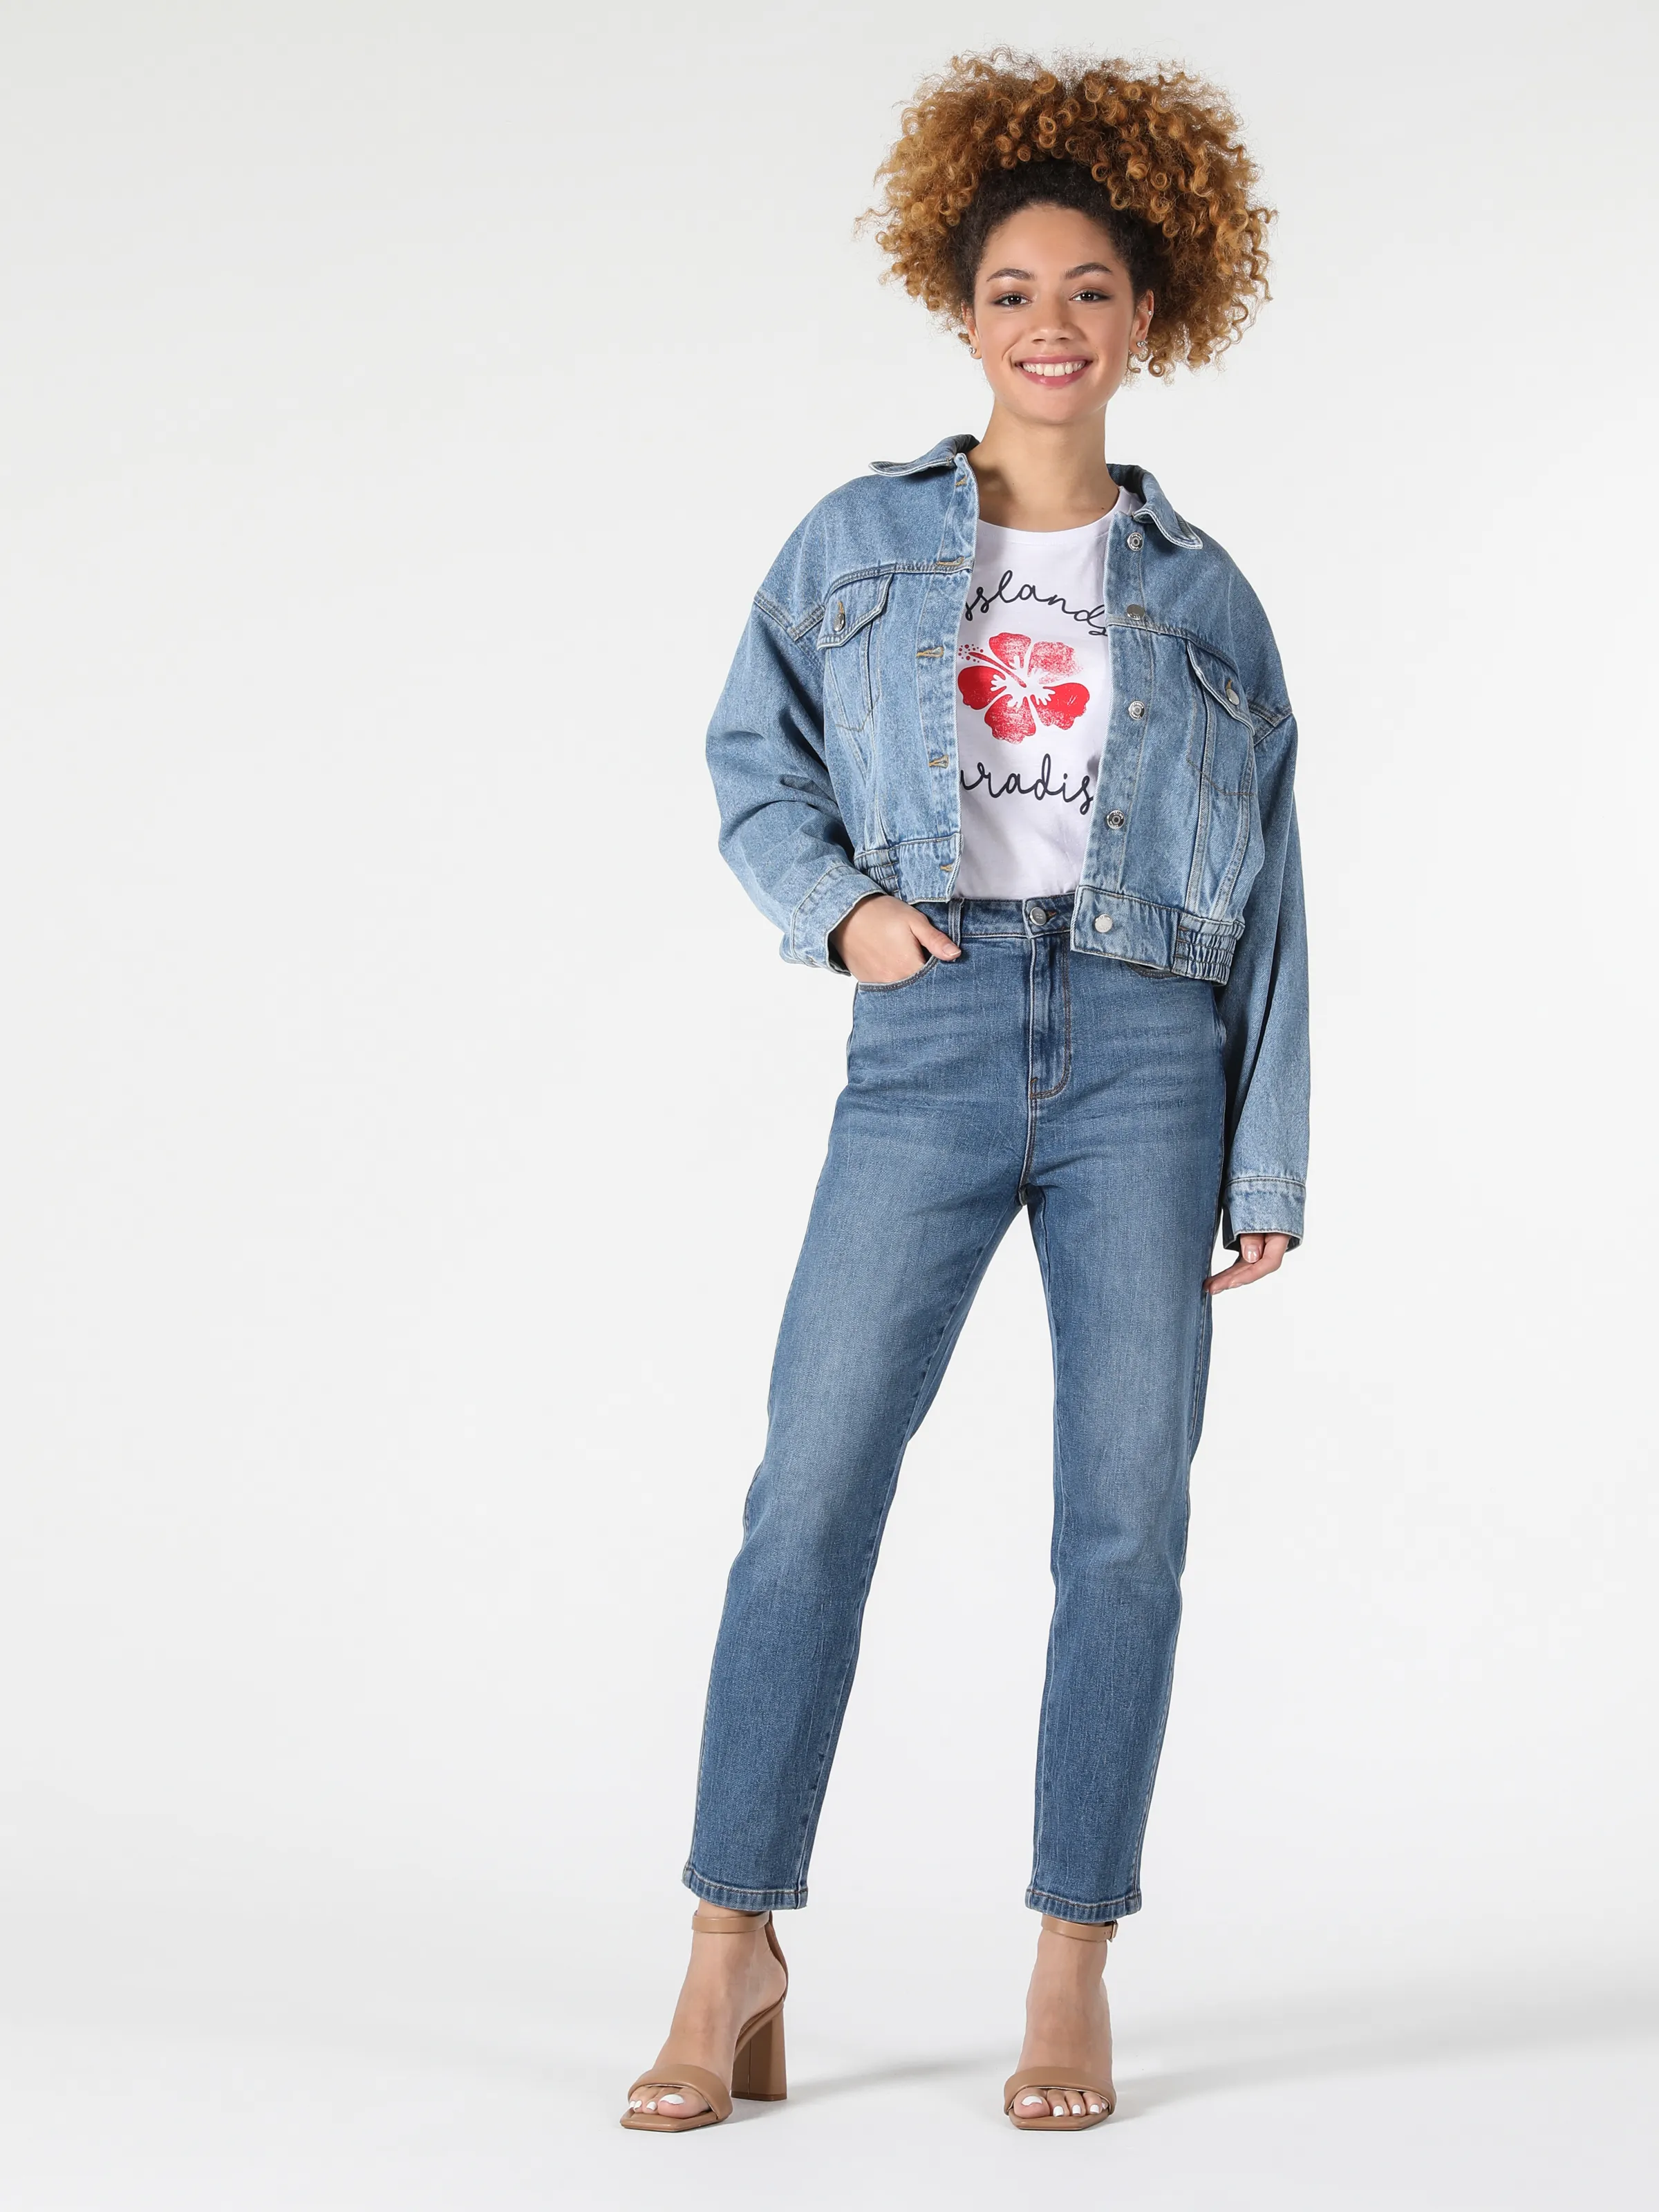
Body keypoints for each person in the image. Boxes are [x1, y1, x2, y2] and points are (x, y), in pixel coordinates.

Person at [622, 50, 1308, 2135]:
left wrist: (1265, 1150)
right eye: (1015, 290)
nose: (1050, 324)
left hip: (1147, 1055)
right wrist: (842, 916)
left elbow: (1279, 889)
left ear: (1149, 317)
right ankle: (729, 1948)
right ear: (963, 307)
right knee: (810, 1492)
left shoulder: (1207, 594)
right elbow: (753, 757)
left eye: (1090, 290)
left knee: (1124, 1524)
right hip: (925, 1037)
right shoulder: (856, 540)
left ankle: (1070, 1962)